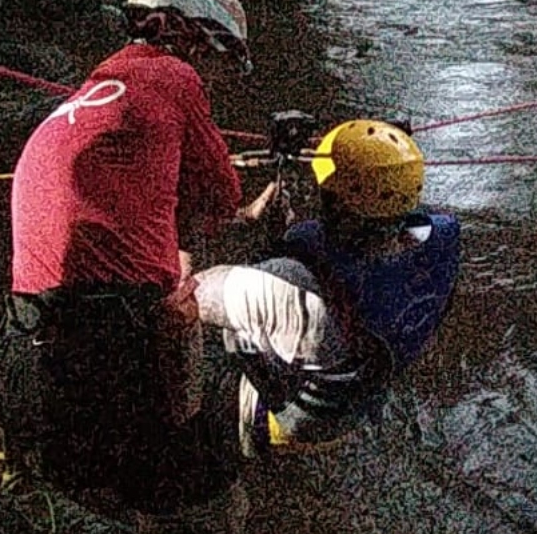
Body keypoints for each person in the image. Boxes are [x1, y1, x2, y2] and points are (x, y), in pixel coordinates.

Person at [0, 0, 276, 534]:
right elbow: (221, 195)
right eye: (218, 57)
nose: (215, 78)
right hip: (106, 343)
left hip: (24, 342)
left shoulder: (89, 93)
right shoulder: (174, 78)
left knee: (78, 509)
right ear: (188, 36)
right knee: (217, 495)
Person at [194, 119, 461, 458]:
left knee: (209, 344)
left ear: (333, 205)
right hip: (357, 403)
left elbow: (189, 297)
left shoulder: (289, 283)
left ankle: (236, 449)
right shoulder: (444, 239)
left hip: (295, 423)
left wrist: (241, 228)